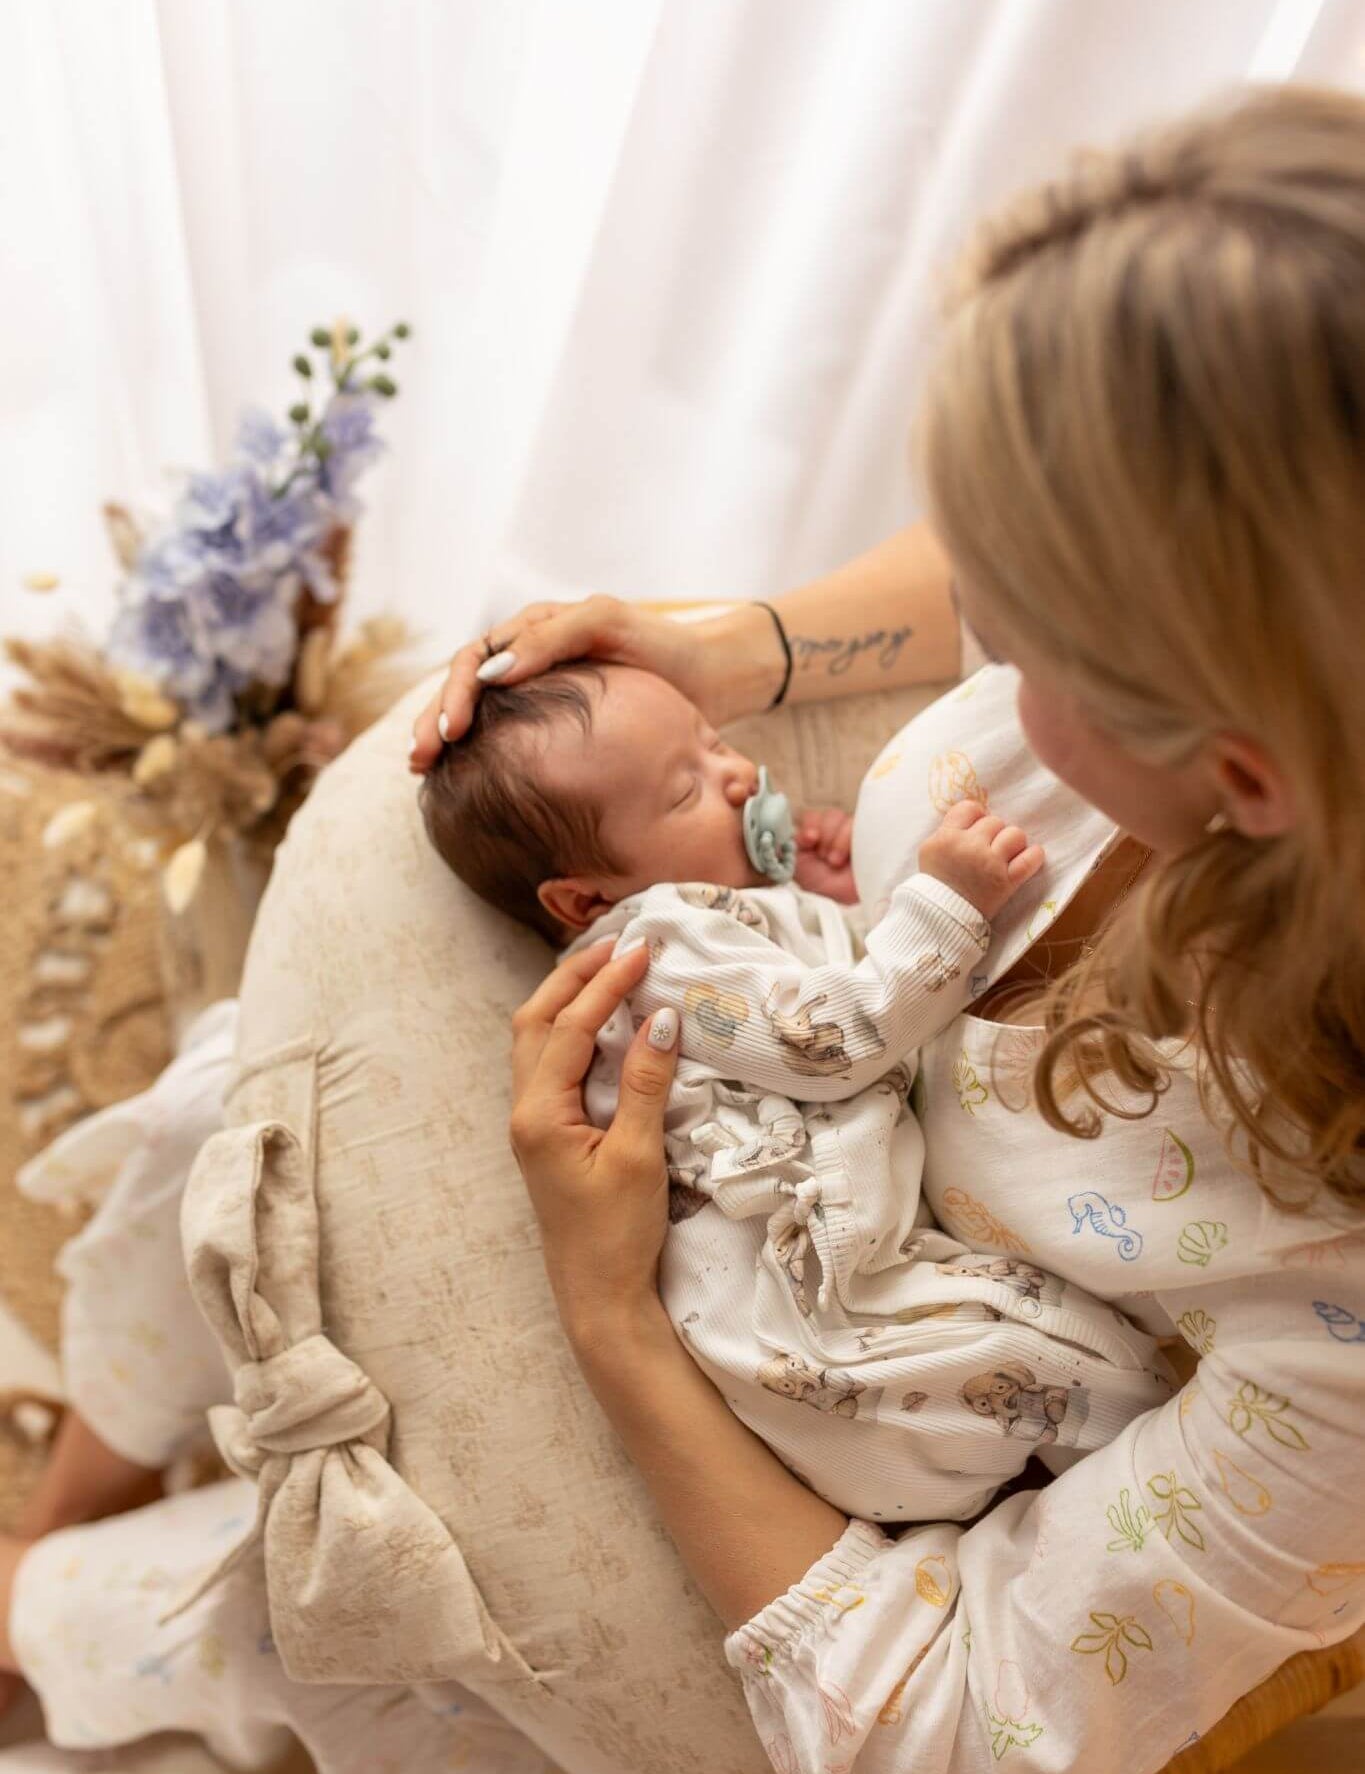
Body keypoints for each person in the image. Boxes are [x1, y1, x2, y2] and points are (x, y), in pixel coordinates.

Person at [411, 82, 1365, 1770]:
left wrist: (609, 1312)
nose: (961, 622)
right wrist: (729, 656)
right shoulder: (1237, 655)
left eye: (1015, 617)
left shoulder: (1329, 1309)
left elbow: (951, 1720)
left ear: (1236, 764)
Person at [419, 660, 1174, 1523]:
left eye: (714, 744)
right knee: (1107, 1381)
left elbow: (827, 1009)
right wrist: (943, 903)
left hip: (866, 1285)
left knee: (1075, 1379)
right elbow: (826, 1041)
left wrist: (836, 906)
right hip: (816, 1323)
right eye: (683, 790)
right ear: (587, 895)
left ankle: (1036, 1494)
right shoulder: (650, 947)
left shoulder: (731, 921)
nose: (737, 774)